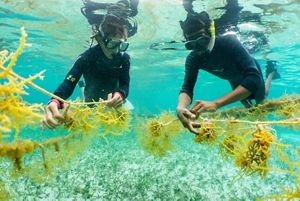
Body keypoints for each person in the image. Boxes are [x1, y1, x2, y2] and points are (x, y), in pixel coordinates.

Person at [176, 11, 280, 134]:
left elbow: (254, 79)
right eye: (191, 44)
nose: (197, 48)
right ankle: (270, 73)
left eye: (201, 41)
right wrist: (181, 107)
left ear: (210, 33)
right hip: (234, 79)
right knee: (249, 108)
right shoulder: (193, 58)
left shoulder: (229, 42)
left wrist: (216, 103)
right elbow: (187, 88)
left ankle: (271, 72)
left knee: (261, 100)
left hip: (251, 74)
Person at [41, 14, 132, 131]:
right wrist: (55, 100)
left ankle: (83, 86)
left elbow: (125, 84)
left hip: (112, 102)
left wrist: (120, 94)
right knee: (86, 97)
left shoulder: (124, 58)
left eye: (122, 45)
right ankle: (82, 86)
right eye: (113, 43)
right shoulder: (86, 57)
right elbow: (68, 83)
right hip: (90, 100)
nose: (116, 50)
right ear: (99, 38)